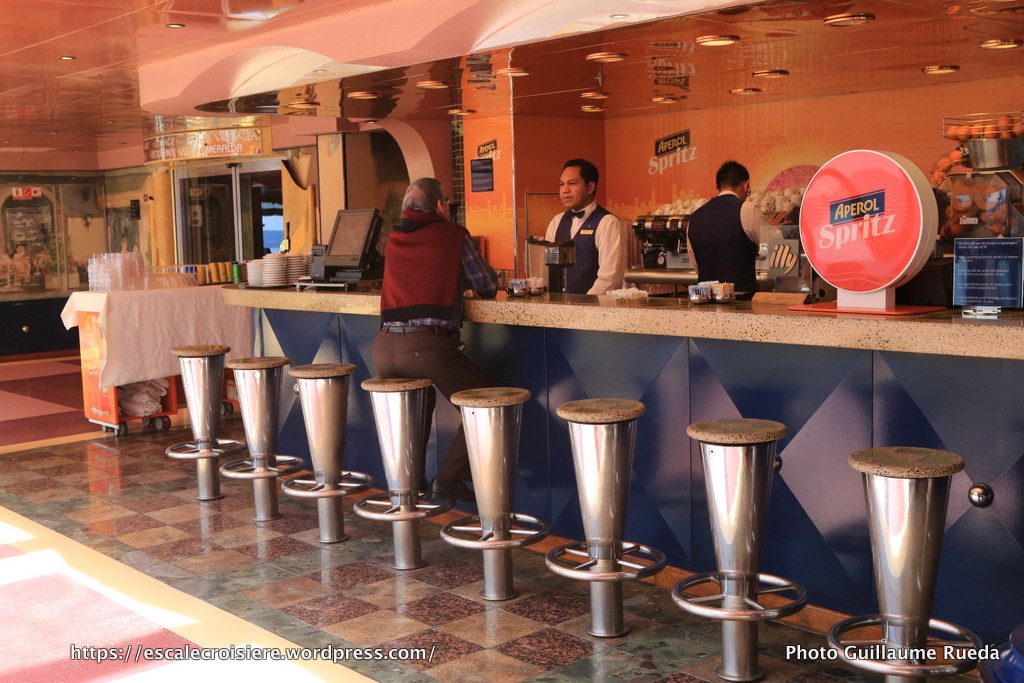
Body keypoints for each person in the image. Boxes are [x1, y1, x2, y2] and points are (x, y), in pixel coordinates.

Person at [373, 177, 499, 503]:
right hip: (426, 347)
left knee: (418, 408)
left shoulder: (395, 238)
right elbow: (485, 283)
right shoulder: (453, 235)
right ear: (441, 206)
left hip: (384, 347)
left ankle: (408, 488)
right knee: (486, 404)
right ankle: (449, 478)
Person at [543, 159, 628, 294]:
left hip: (593, 310)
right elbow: (546, 270)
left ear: (590, 187)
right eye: (561, 184)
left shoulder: (608, 223)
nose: (565, 190)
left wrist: (584, 308)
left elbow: (610, 279)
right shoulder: (556, 221)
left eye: (572, 183)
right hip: (557, 308)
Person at [685, 160, 767, 299]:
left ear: (718, 187)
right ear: (746, 185)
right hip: (742, 300)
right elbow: (770, 248)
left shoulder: (695, 217)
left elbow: (695, 262)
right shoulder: (748, 209)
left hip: (706, 300)